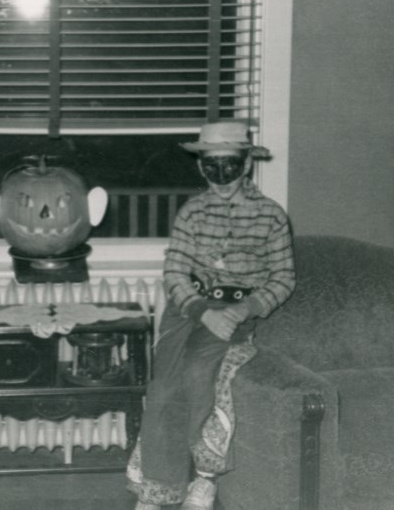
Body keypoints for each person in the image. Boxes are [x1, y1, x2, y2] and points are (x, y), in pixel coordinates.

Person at [127, 122, 296, 510]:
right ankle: (158, 487)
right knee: (163, 389)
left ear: (247, 164)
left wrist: (243, 309)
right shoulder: (192, 212)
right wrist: (201, 311)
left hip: (236, 309)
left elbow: (284, 278)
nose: (221, 177)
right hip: (190, 308)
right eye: (211, 167)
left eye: (230, 166)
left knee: (198, 374)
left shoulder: (270, 215)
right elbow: (174, 270)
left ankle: (204, 478)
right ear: (201, 166)